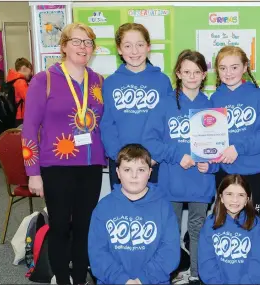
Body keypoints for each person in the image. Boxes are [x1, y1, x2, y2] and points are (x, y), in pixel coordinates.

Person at [22, 22, 106, 285]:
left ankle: (79, 277)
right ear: (64, 46)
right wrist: (33, 173)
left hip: (91, 166)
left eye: (88, 42)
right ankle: (60, 276)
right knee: (60, 227)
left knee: (84, 227)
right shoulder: (43, 79)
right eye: (77, 41)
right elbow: (29, 129)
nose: (83, 47)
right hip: (56, 166)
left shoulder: (98, 81)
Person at [142, 49, 216, 285]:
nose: (192, 76)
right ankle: (169, 274)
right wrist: (176, 155)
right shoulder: (164, 105)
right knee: (170, 231)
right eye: (186, 71)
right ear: (178, 73)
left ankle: (195, 274)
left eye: (197, 72)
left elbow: (220, 146)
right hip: (172, 180)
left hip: (201, 181)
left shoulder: (211, 106)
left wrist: (211, 165)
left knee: (197, 230)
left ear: (204, 74)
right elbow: (150, 142)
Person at [88, 144, 180, 285]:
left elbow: (170, 252)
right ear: (118, 172)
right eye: (127, 169)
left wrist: (142, 280)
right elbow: (97, 253)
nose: (134, 176)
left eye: (141, 170)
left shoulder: (164, 207)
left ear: (149, 172)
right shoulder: (103, 207)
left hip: (154, 281)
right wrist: (122, 280)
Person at [100, 23, 172, 189]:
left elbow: (169, 123)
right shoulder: (110, 83)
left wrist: (156, 156)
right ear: (119, 49)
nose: (134, 51)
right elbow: (107, 125)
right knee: (123, 213)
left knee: (153, 212)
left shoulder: (162, 81)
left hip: (154, 161)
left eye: (140, 45)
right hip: (121, 163)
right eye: (127, 46)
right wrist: (120, 159)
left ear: (148, 47)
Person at [210, 46, 260, 214]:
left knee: (250, 222)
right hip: (225, 171)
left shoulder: (258, 96)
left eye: (234, 67)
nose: (228, 73)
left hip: (253, 170)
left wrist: (238, 148)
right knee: (224, 221)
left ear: (245, 67)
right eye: (223, 68)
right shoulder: (215, 99)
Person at [198, 174, 260, 284]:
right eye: (229, 194)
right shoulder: (210, 224)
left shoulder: (255, 224)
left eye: (241, 195)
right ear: (221, 197)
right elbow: (206, 261)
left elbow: (258, 263)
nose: (235, 200)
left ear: (247, 199)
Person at [6, 57, 33, 126]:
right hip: (21, 117)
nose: (31, 73)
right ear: (24, 68)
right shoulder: (20, 82)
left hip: (16, 116)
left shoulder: (13, 80)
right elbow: (30, 99)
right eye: (30, 70)